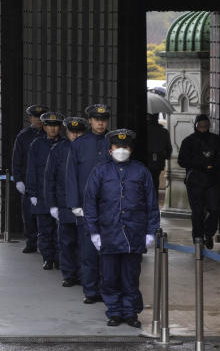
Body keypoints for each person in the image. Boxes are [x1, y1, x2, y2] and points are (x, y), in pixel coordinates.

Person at [84, 129, 160, 328]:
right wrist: (94, 232)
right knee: (109, 277)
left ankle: (130, 312)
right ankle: (114, 312)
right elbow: (90, 204)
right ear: (110, 150)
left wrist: (151, 231)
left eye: (125, 147)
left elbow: (152, 204)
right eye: (118, 147)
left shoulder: (141, 171)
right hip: (108, 233)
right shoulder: (99, 172)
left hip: (133, 234)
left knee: (130, 277)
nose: (122, 150)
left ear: (131, 150)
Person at [66, 103, 112, 305]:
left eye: (103, 120)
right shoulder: (79, 144)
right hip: (87, 206)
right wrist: (74, 203)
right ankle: (91, 290)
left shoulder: (115, 143)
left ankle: (108, 290)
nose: (100, 123)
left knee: (109, 251)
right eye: (96, 119)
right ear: (91, 121)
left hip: (110, 206)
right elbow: (71, 176)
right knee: (88, 250)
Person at [45, 116, 88, 288]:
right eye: (72, 132)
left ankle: (84, 274)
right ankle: (69, 274)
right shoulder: (58, 150)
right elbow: (50, 178)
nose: (76, 135)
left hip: (85, 204)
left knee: (84, 243)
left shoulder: (89, 149)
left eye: (79, 132)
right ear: (67, 132)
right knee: (67, 241)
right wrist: (52, 204)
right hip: (64, 203)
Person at [178, 114, 220, 249]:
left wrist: (214, 166)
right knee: (197, 212)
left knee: (214, 209)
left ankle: (209, 233)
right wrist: (199, 164)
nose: (203, 129)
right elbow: (182, 161)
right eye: (200, 126)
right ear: (196, 126)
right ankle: (198, 238)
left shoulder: (216, 140)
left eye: (205, 126)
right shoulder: (188, 141)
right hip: (195, 181)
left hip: (212, 181)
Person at [27, 111, 64, 271]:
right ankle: (48, 258)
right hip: (41, 194)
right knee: (44, 230)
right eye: (49, 125)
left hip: (59, 194)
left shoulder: (64, 144)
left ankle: (58, 258)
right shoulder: (37, 144)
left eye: (56, 125)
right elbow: (31, 170)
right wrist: (32, 192)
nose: (53, 129)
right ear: (44, 126)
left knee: (59, 230)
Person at [12, 104, 48, 254]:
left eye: (41, 117)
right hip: (29, 181)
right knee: (28, 213)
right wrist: (18, 179)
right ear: (30, 118)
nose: (38, 120)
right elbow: (17, 159)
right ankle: (31, 241)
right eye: (35, 117)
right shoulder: (24, 136)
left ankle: (45, 243)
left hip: (46, 181)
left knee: (46, 215)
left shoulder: (51, 135)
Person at [146, 114, 172, 191]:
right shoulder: (164, 131)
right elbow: (169, 149)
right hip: (159, 161)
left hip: (146, 161)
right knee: (155, 182)